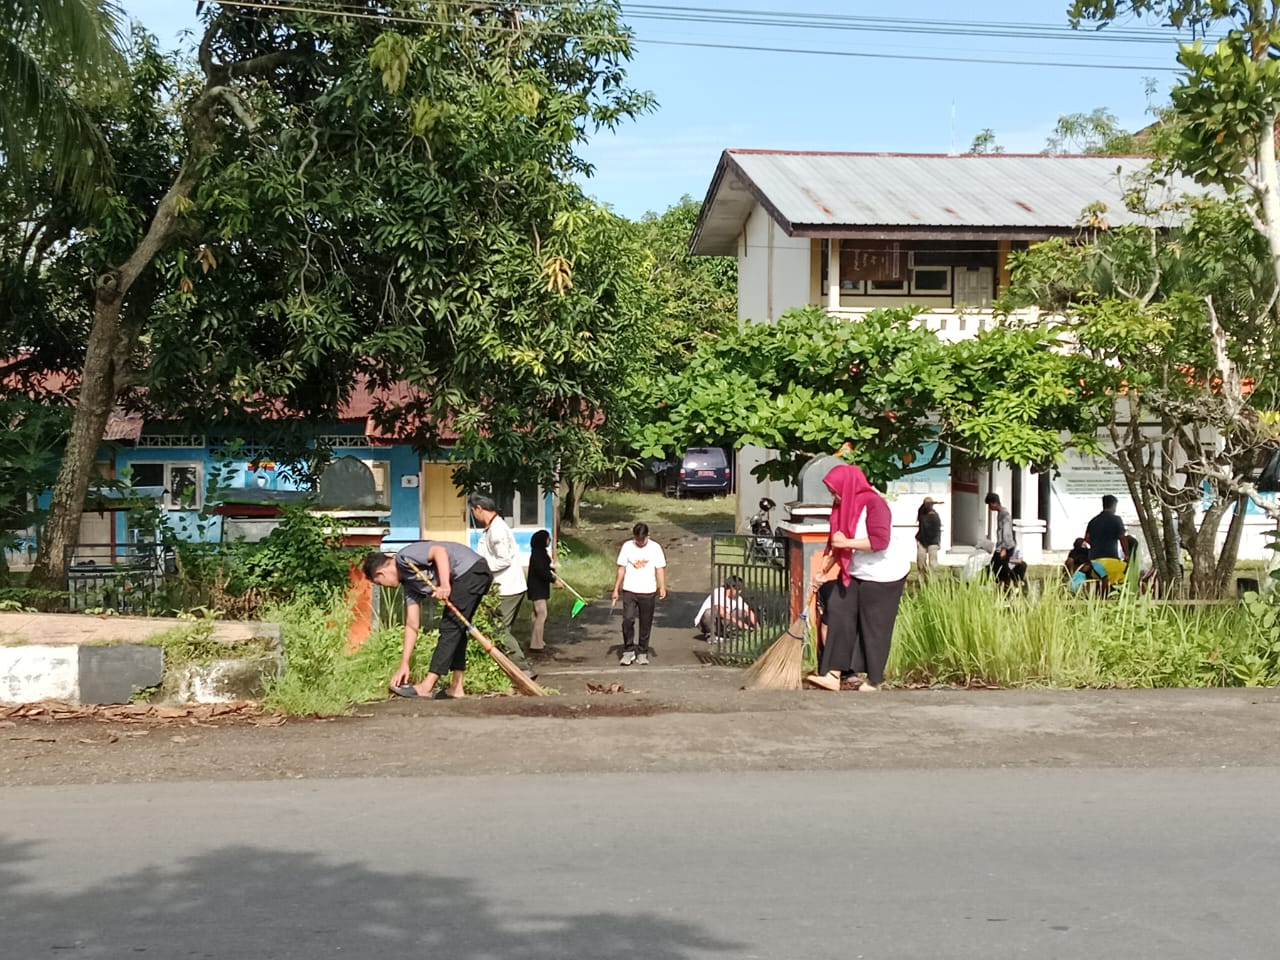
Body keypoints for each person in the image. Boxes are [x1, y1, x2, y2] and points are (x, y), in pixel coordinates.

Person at [806, 462, 910, 692]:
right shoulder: (842, 506)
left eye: (835, 490)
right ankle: (833, 673)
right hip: (857, 571)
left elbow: (879, 541)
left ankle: (874, 680)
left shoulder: (875, 504)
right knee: (838, 609)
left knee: (874, 626)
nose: (833, 495)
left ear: (849, 486)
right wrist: (823, 571)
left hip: (885, 573)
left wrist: (848, 543)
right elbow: (836, 543)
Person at [363, 541, 492, 699]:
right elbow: (412, 625)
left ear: (381, 574)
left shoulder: (404, 557)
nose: (384, 586)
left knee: (449, 627)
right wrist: (404, 663)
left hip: (471, 571)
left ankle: (427, 685)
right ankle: (456, 687)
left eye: (379, 583)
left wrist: (445, 585)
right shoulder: (410, 586)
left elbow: (439, 551)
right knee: (457, 629)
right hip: (470, 576)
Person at [468, 493, 534, 677]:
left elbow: (503, 559)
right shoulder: (492, 528)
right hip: (504, 586)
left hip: (508, 587)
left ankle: (522, 667)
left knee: (499, 629)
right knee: (499, 628)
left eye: (473, 511)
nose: (474, 516)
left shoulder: (497, 529)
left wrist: (483, 570)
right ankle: (506, 665)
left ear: (479, 508)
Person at [611, 522, 667, 665]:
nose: (640, 542)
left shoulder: (655, 548)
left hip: (648, 590)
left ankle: (642, 651)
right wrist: (616, 588)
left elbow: (660, 568)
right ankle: (628, 650)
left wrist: (662, 587)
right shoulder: (627, 547)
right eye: (637, 540)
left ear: (648, 536)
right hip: (630, 589)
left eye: (642, 540)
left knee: (645, 622)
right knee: (628, 620)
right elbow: (621, 568)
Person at [694, 574, 758, 640]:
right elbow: (720, 611)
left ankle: (726, 632)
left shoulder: (738, 598)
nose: (740, 592)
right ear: (731, 588)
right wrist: (738, 623)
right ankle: (711, 634)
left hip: (721, 622)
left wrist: (757, 627)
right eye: (738, 589)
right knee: (710, 612)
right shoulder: (718, 592)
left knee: (742, 612)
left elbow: (749, 611)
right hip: (705, 622)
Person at [984, 492, 1022, 586]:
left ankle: (1006, 585)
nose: (989, 507)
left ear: (994, 503)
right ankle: (1004, 585)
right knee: (999, 568)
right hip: (1002, 546)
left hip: (1005, 547)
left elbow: (1007, 532)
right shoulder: (1001, 513)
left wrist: (1004, 548)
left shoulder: (1004, 515)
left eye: (989, 505)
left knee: (997, 568)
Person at [526, 528, 555, 651]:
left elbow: (545, 568)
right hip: (537, 589)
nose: (550, 540)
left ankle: (537, 640)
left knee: (536, 614)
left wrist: (551, 571)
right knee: (542, 614)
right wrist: (553, 579)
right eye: (548, 538)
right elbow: (541, 571)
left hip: (537, 588)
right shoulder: (538, 554)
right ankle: (536, 643)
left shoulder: (539, 553)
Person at [1085, 495, 1129, 563]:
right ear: (1114, 505)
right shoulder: (1116, 519)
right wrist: (1127, 554)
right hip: (1110, 558)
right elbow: (1122, 538)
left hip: (1094, 559)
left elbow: (1087, 538)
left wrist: (1097, 545)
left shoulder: (1093, 521)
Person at [915, 496, 943, 580]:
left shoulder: (934, 516)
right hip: (922, 540)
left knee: (933, 563)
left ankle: (932, 581)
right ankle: (922, 581)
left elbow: (935, 531)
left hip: (933, 541)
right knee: (920, 562)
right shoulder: (922, 514)